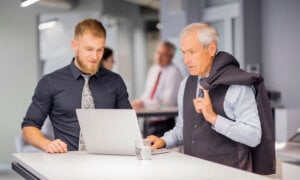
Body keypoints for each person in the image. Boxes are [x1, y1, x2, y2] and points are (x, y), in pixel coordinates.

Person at [148, 23, 275, 175]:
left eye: (192, 52)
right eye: (184, 53)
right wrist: (164, 141)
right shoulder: (185, 84)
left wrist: (214, 118)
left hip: (232, 175)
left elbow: (253, 136)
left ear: (211, 49)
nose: (186, 60)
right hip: (193, 172)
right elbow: (183, 129)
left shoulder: (238, 86)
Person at [22, 18, 132, 154]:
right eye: (89, 49)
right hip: (67, 163)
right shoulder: (50, 82)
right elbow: (29, 126)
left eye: (100, 50)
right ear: (74, 46)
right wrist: (47, 144)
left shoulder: (115, 81)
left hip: (108, 162)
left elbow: (128, 126)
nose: (95, 56)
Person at [131, 41, 183, 138]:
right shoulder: (153, 70)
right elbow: (148, 93)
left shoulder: (174, 72)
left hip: (163, 123)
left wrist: (144, 104)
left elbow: (168, 101)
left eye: (163, 54)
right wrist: (140, 102)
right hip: (148, 121)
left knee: (161, 151)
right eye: (158, 53)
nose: (159, 57)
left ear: (171, 57)